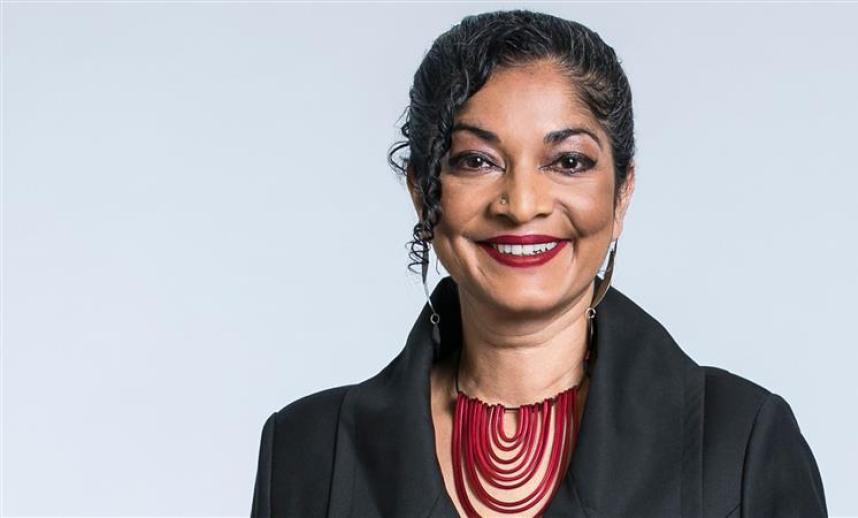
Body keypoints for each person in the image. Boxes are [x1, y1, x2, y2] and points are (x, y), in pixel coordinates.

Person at [249, 9, 827, 518]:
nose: (522, 204)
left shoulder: (741, 443)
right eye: (477, 160)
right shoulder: (306, 453)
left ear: (622, 192)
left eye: (568, 162)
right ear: (424, 192)